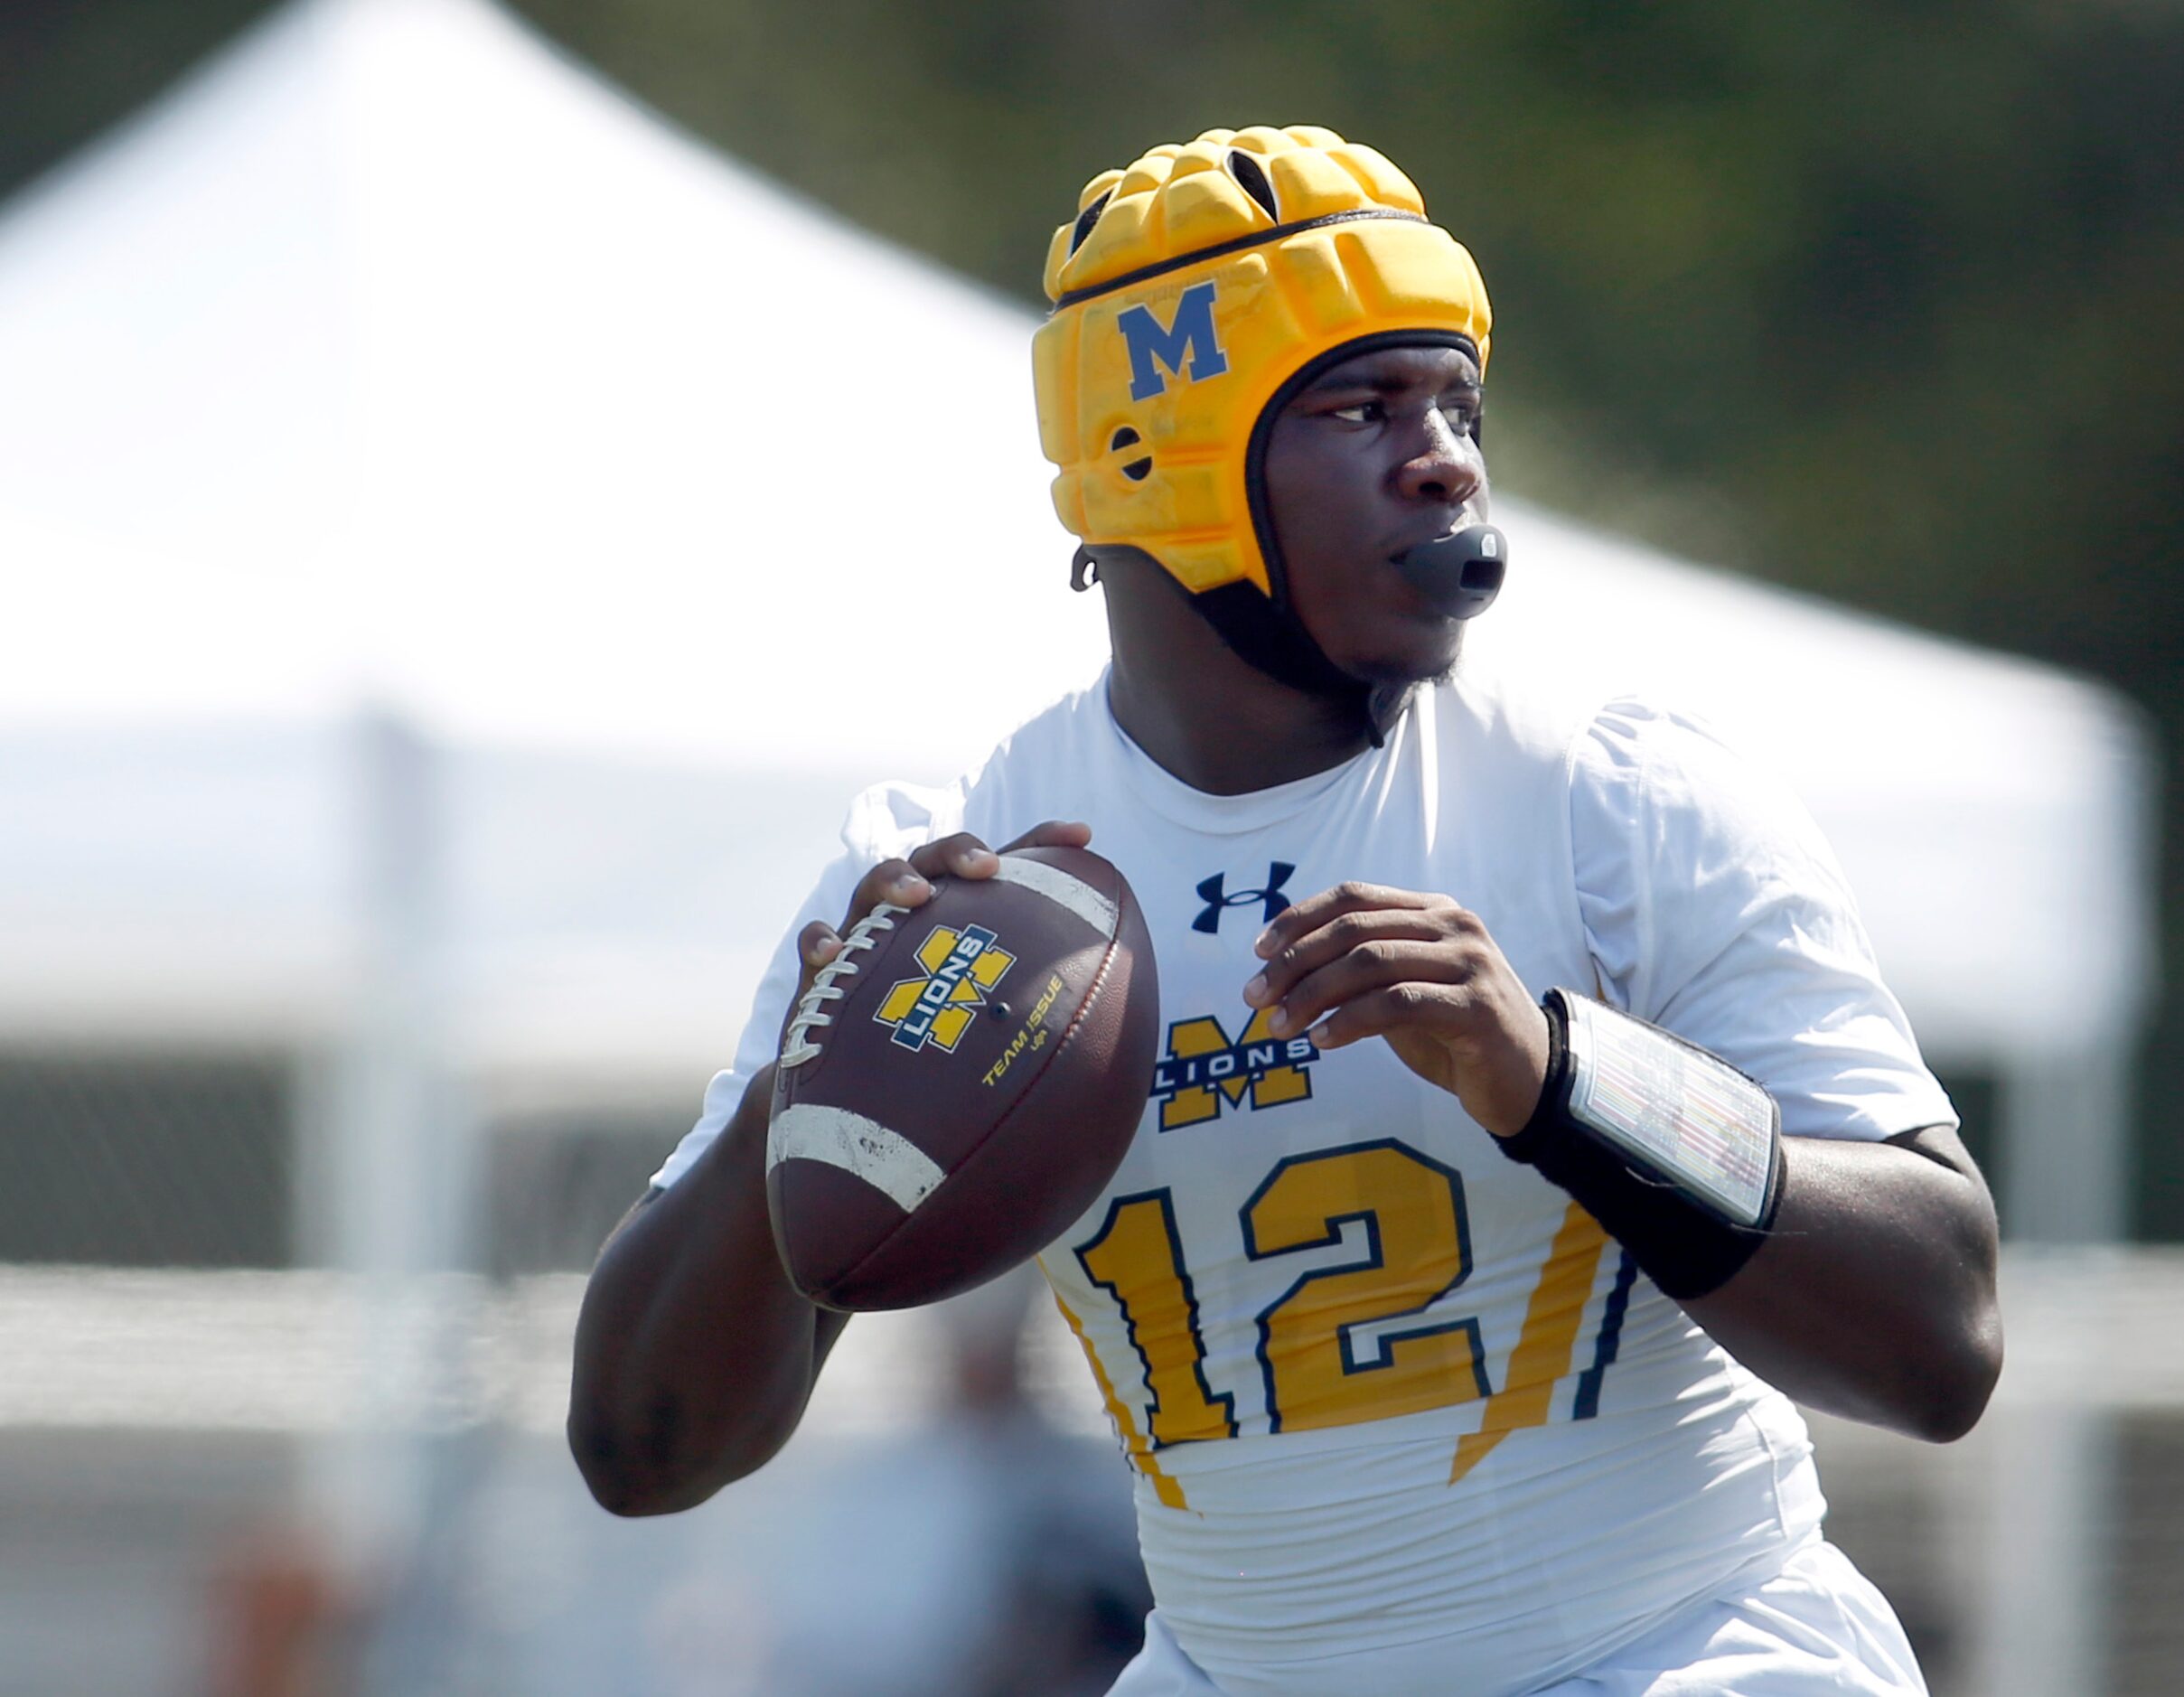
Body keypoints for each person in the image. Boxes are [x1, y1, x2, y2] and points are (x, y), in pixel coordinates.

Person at [569, 125, 2002, 1695]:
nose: (1445, 453)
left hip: (1677, 1651)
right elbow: (644, 1447)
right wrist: (816, 1086)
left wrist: (1559, 1077)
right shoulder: (951, 874)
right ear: (1155, 456)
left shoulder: (1612, 796)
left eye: (1454, 400)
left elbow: (1939, 1330)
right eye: (1358, 403)